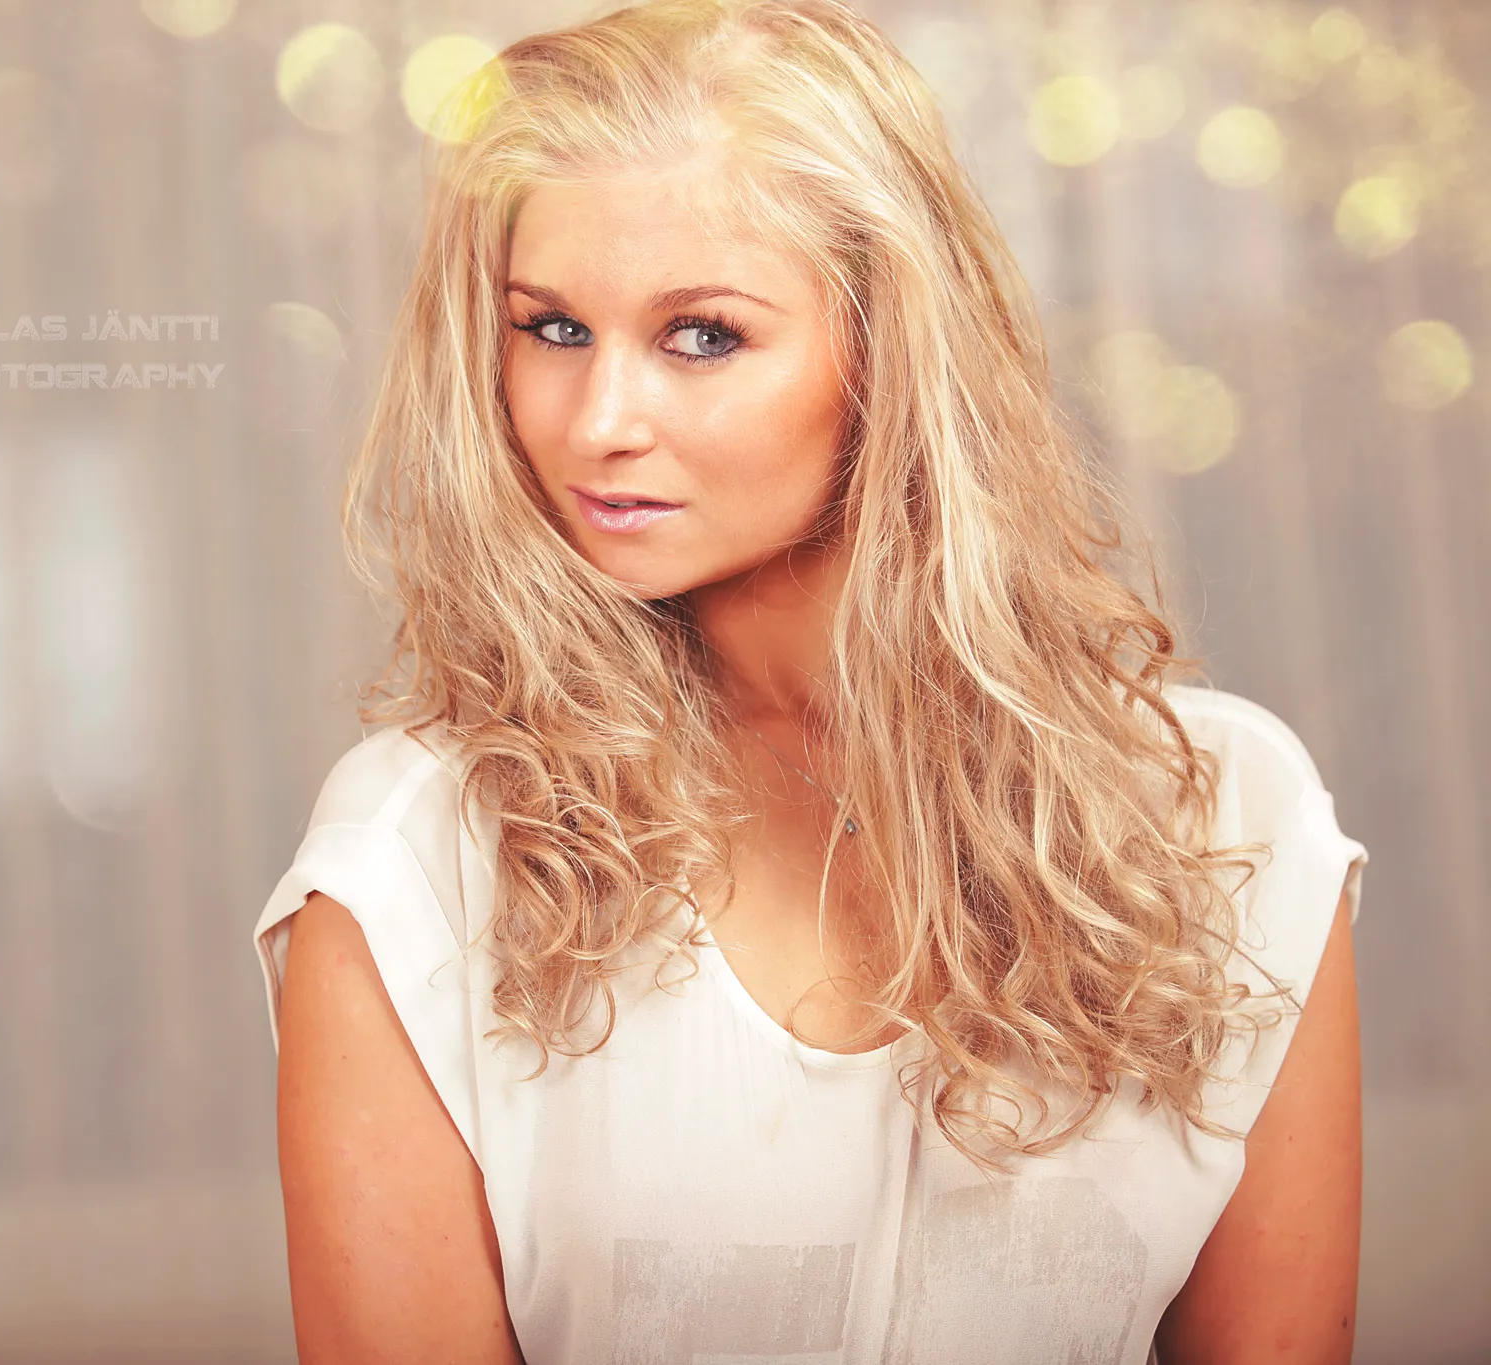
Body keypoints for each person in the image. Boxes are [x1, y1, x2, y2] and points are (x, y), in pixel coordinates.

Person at [253, 1, 1367, 1360]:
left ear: (888, 349)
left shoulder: (1224, 821)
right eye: (552, 330)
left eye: (701, 336)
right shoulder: (416, 863)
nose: (598, 422)